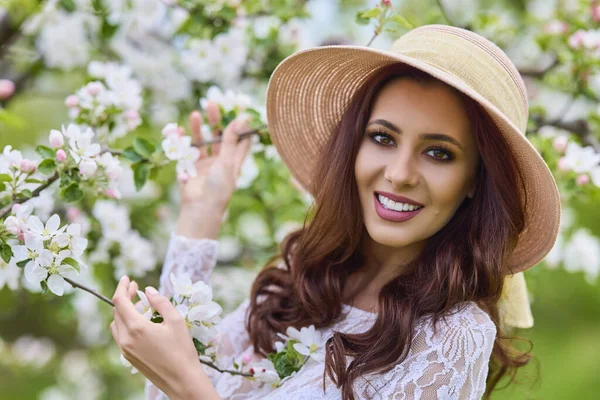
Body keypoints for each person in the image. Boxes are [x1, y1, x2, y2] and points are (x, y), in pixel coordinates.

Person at [110, 24, 561, 400]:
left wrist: (192, 391)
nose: (400, 174)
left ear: (475, 182)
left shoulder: (451, 339)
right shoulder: (302, 282)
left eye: (439, 153)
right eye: (383, 138)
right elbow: (169, 382)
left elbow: (187, 387)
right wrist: (201, 214)